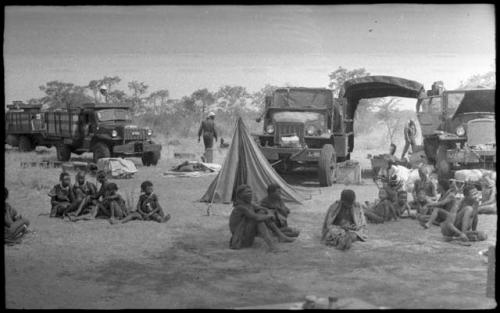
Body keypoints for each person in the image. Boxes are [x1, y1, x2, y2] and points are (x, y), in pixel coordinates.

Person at [229, 184, 295, 252]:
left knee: (261, 213)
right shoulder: (240, 207)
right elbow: (257, 218)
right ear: (240, 195)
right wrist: (269, 215)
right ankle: (273, 246)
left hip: (249, 237)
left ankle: (281, 236)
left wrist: (268, 212)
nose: (250, 194)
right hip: (241, 240)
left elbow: (264, 209)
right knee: (259, 220)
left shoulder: (249, 204)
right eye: (247, 192)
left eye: (251, 192)